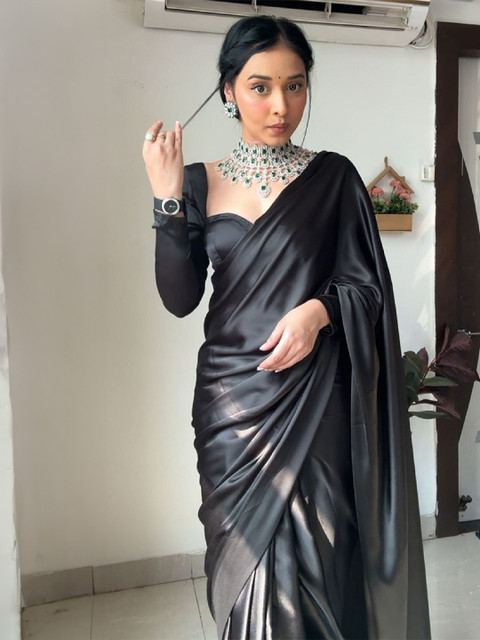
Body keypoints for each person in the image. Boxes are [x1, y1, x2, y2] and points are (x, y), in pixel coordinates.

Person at [142, 15, 431, 640]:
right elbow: (180, 298)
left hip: (315, 400)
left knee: (314, 566)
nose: (280, 105)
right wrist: (166, 199)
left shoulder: (335, 178)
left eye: (295, 86)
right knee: (246, 573)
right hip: (231, 404)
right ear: (228, 90)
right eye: (261, 87)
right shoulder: (198, 183)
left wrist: (318, 312)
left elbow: (368, 289)